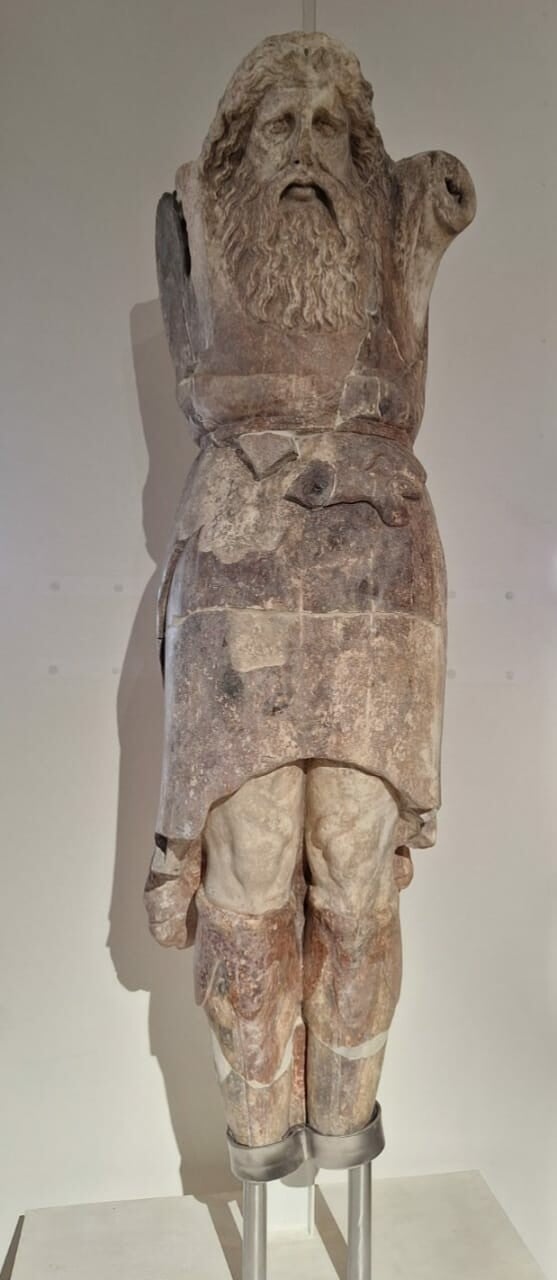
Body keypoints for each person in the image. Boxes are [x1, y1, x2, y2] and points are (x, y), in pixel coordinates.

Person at [144, 30, 476, 1161]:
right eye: (279, 124)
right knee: (245, 867)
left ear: (359, 153)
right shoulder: (195, 220)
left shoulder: (393, 228)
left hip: (375, 562)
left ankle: (342, 1127)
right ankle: (255, 1135)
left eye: (329, 127)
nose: (304, 147)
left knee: (352, 865)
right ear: (238, 146)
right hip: (237, 551)